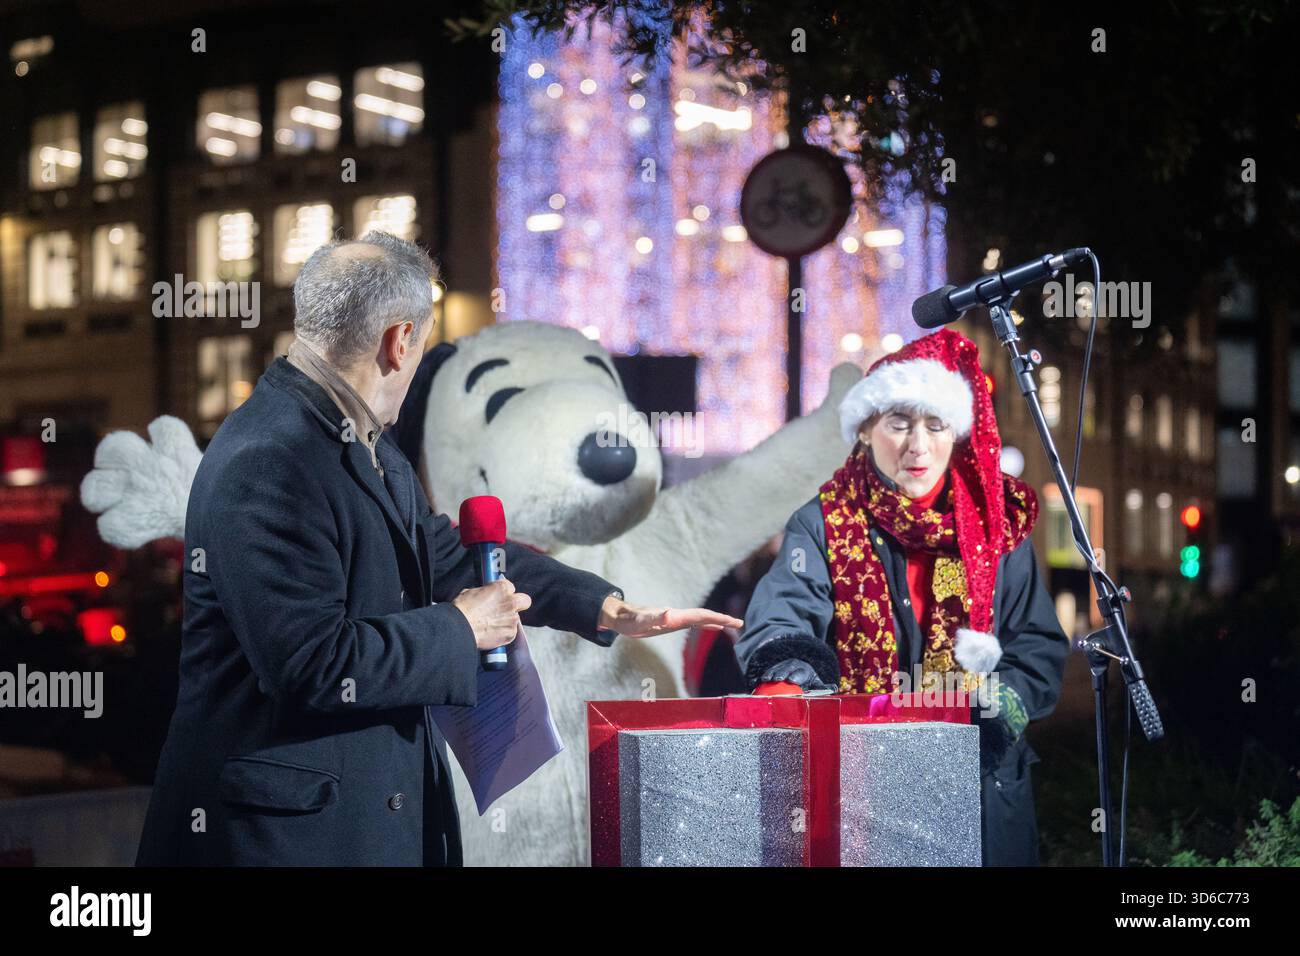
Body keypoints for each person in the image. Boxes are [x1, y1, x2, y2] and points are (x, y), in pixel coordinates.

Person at [135, 232, 741, 866]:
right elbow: (312, 663)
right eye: (422, 344)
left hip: (359, 821)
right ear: (399, 342)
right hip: (283, 840)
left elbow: (447, 558)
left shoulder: (364, 442)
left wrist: (606, 608)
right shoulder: (270, 458)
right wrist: (462, 627)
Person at [735, 328, 1068, 866]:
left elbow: (1038, 646)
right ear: (866, 429)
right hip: (860, 789)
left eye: (935, 425)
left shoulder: (994, 528)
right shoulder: (822, 523)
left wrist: (996, 709)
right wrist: (786, 678)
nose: (917, 445)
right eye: (898, 423)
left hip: (980, 794)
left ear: (955, 434)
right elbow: (783, 616)